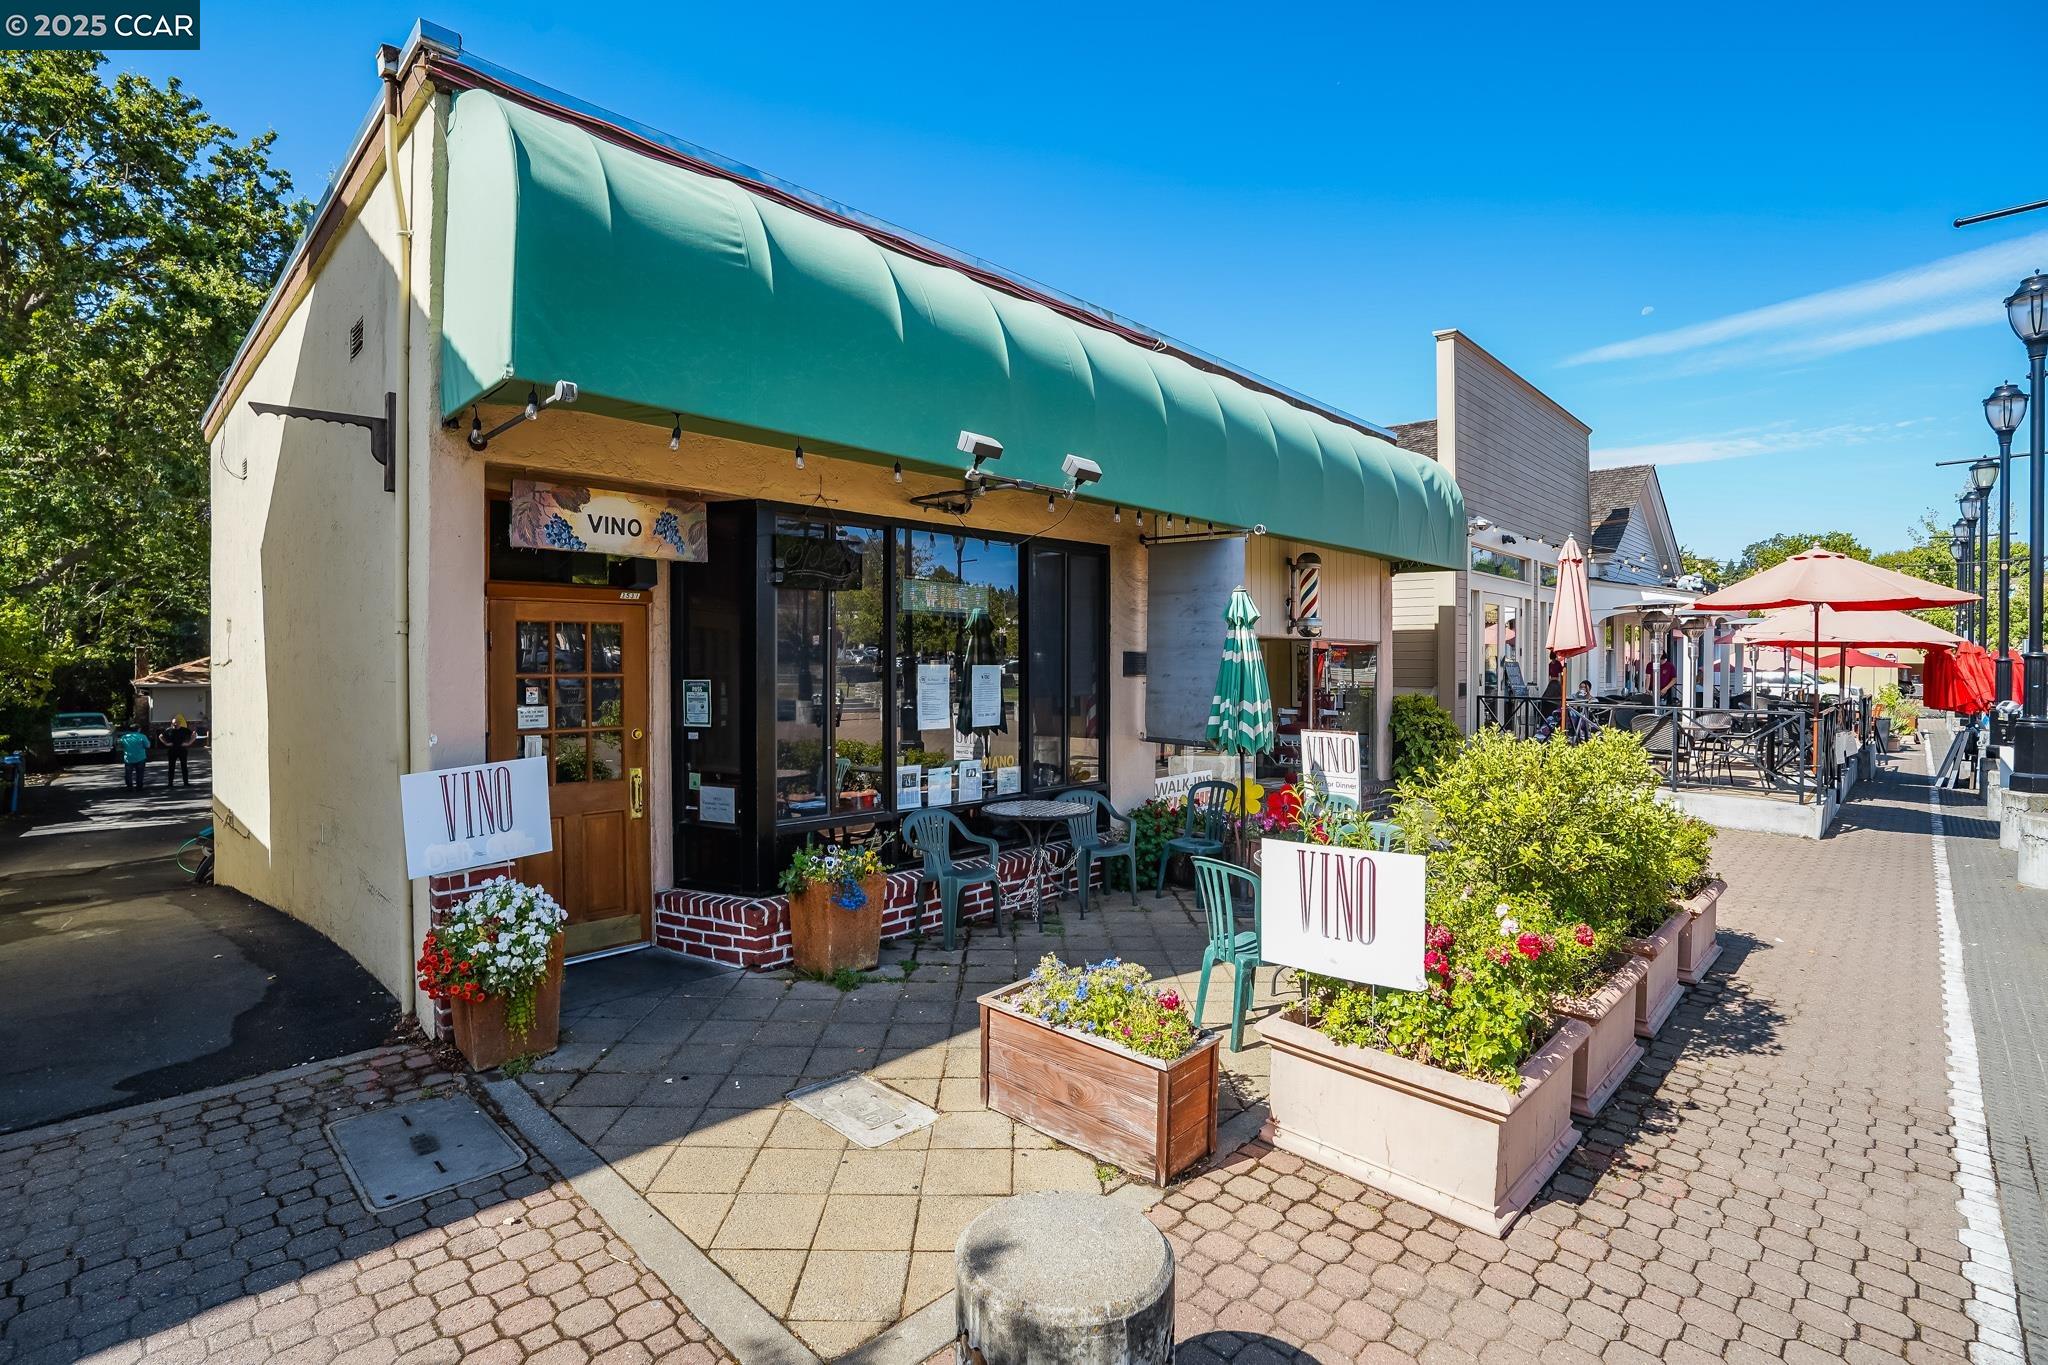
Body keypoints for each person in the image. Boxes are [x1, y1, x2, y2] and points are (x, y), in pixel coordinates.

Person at [159, 714, 195, 788]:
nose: (174, 724)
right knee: (171, 767)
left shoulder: (184, 729)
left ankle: (186, 783)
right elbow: (160, 736)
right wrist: (166, 743)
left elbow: (194, 735)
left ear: (179, 723)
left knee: (184, 767)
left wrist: (189, 743)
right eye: (173, 723)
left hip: (182, 750)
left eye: (176, 723)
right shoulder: (169, 730)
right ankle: (170, 784)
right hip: (172, 751)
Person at [118, 725, 151, 790]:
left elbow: (121, 746)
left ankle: (129, 786)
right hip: (140, 757)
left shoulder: (124, 737)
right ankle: (139, 786)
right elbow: (148, 746)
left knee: (128, 773)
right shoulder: (142, 736)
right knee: (140, 772)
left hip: (128, 758)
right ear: (138, 729)